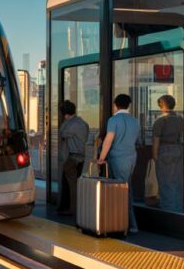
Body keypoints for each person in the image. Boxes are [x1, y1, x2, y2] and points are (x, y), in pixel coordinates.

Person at [97, 94, 141, 232]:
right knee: (127, 188)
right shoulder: (135, 121)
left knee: (122, 191)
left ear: (115, 105)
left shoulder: (114, 120)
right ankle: (126, 223)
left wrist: (101, 158)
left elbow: (108, 141)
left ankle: (129, 224)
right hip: (131, 157)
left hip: (118, 158)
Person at [152, 95, 184, 213]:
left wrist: (155, 156)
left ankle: (168, 212)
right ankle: (179, 210)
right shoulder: (180, 119)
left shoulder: (160, 120)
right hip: (178, 149)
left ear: (162, 106)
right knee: (177, 181)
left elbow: (156, 140)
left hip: (164, 150)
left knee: (165, 182)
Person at [57, 100, 89, 215]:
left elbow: (62, 133)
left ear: (66, 114)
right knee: (73, 183)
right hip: (81, 157)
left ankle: (73, 209)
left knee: (72, 185)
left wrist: (65, 121)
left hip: (73, 158)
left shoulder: (71, 124)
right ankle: (68, 207)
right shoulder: (83, 123)